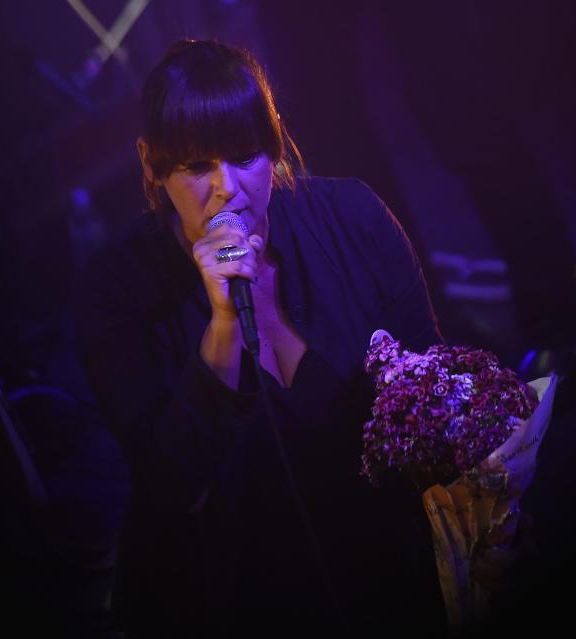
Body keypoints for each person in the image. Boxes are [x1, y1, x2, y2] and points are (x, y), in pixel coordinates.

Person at [75, 39, 516, 637]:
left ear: (275, 146)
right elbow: (173, 486)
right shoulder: (116, 288)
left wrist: (488, 469)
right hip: (225, 598)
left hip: (385, 574)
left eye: (244, 156)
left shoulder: (353, 217)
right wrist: (225, 327)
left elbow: (427, 387)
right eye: (195, 167)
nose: (227, 188)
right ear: (151, 165)